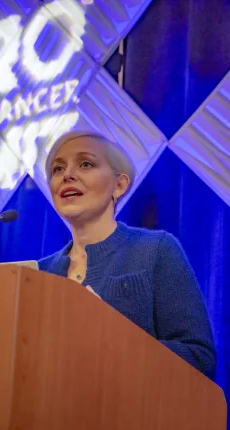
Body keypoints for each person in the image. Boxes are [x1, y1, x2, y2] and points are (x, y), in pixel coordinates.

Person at [38, 131, 216, 379]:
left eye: (86, 163)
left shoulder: (155, 250)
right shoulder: (37, 273)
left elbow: (199, 358)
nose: (67, 175)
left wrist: (113, 335)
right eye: (57, 169)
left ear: (119, 185)